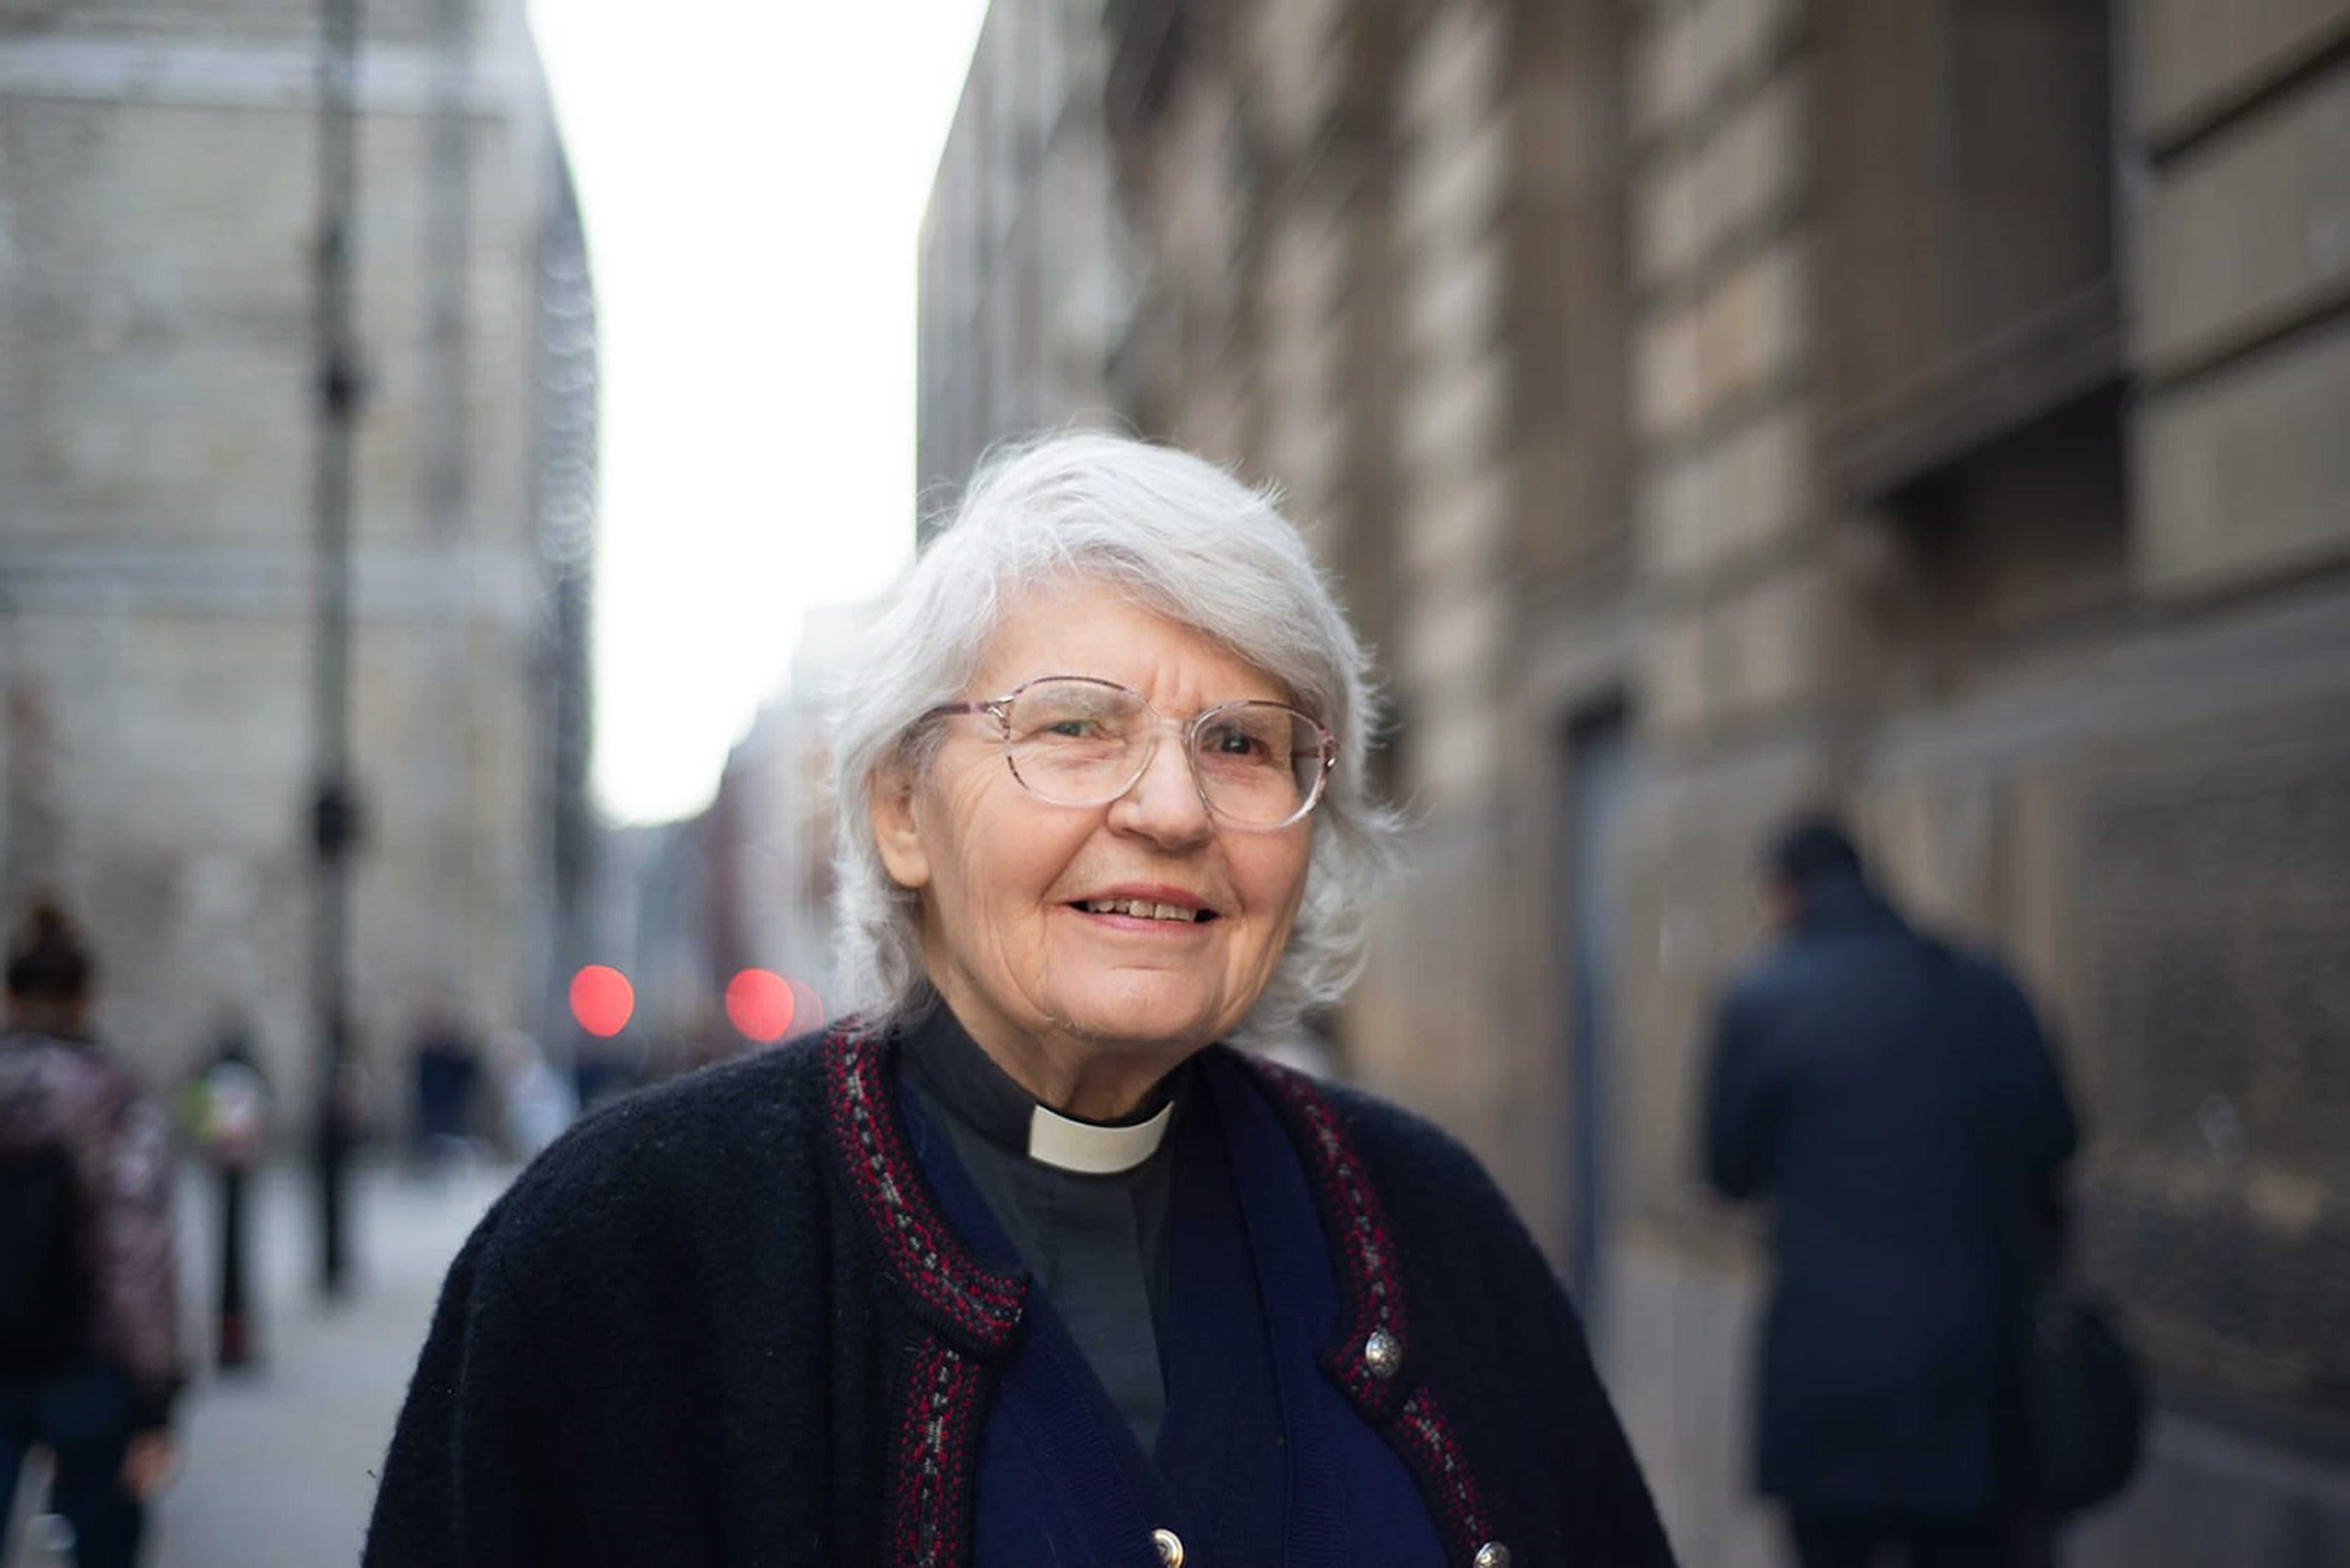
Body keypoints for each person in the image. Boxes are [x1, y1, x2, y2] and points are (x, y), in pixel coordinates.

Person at [366, 432, 1677, 1567]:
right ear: (900, 812)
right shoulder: (626, 1248)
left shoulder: (1429, 1220)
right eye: (1073, 726)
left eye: (1242, 742)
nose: (1170, 808)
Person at [1700, 817, 2079, 1568]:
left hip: (1829, 1365)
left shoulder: (1760, 1000)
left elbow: (1728, 1173)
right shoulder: (1989, 985)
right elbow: (2056, 1145)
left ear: (1780, 896)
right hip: (1975, 1360)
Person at [0, 898, 182, 1568]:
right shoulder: (116, 1099)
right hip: (88, 1364)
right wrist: (156, 1403)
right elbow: (137, 1254)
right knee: (104, 1546)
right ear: (87, 998)